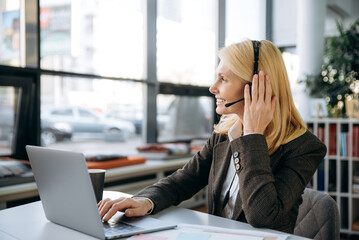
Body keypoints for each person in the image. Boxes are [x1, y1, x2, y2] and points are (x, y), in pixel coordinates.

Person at [98, 39, 327, 234]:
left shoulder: (304, 147)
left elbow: (262, 216)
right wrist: (145, 201)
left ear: (256, 86)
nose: (212, 88)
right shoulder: (223, 134)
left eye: (223, 79)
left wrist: (253, 136)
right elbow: (185, 179)